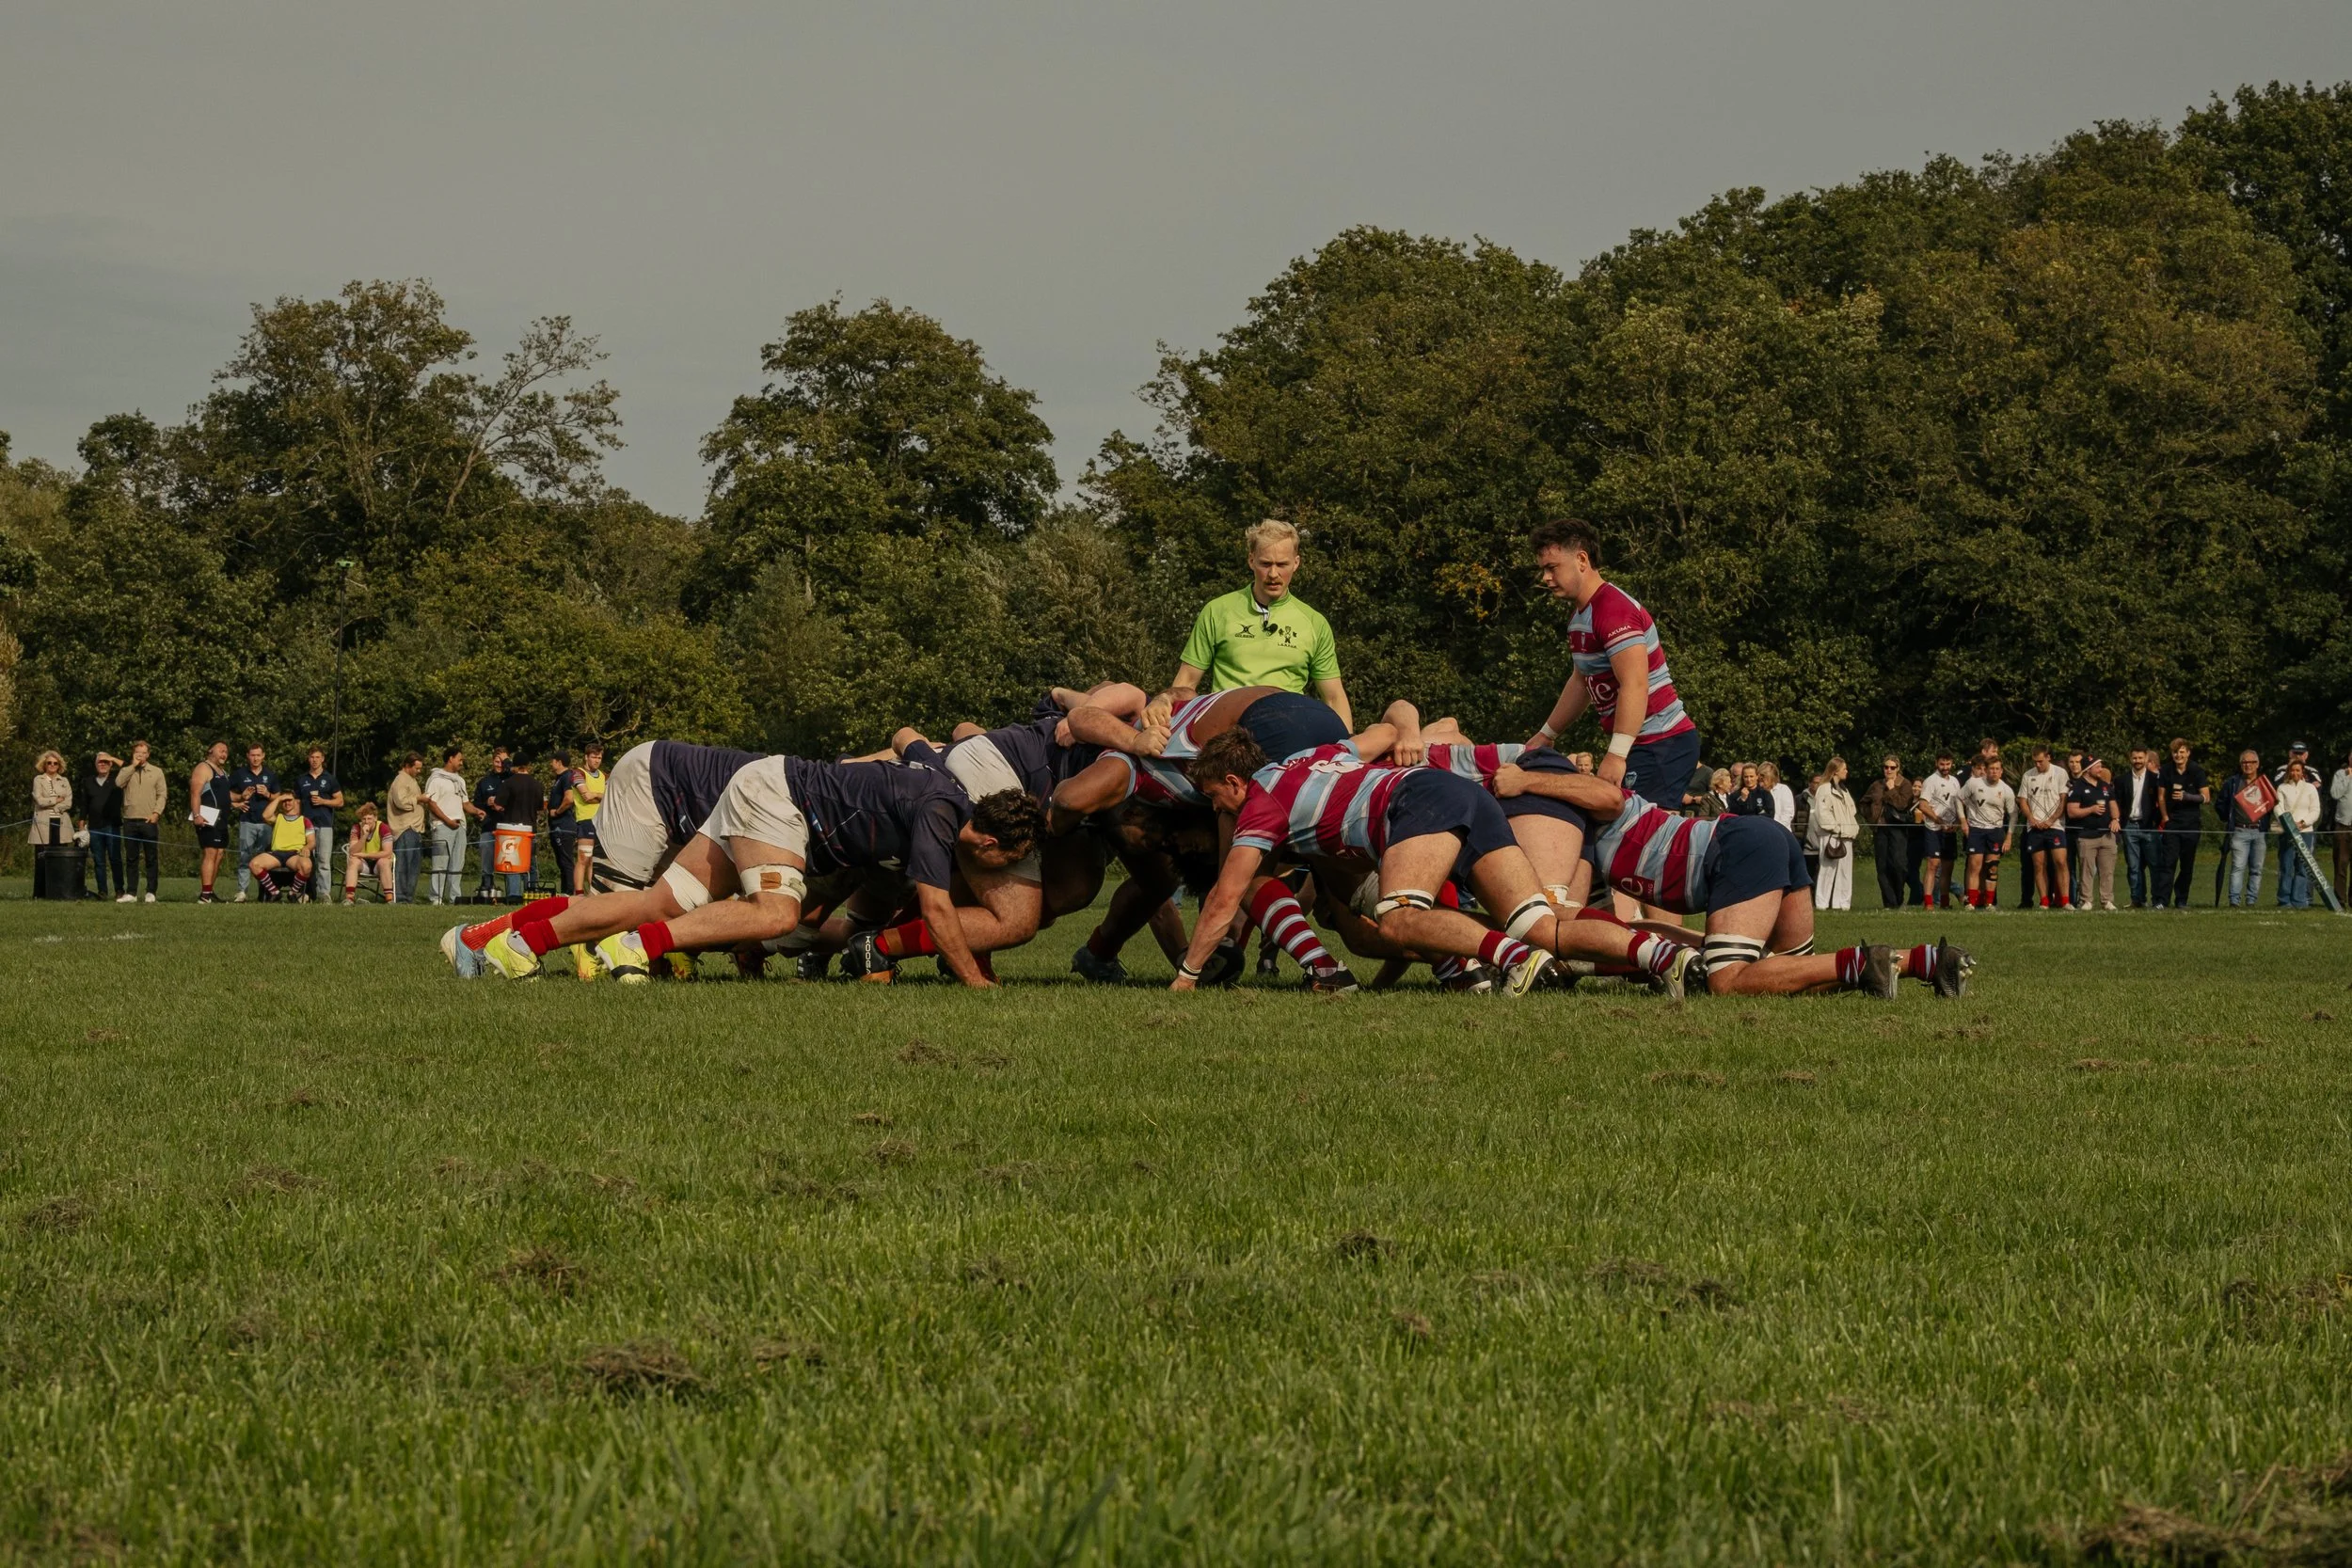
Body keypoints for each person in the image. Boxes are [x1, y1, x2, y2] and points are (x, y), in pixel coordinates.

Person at [1174, 733, 1697, 998]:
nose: (1217, 807)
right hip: (1462, 794)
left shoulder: (1259, 804)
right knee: (1542, 925)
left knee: (1398, 916)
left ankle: (1511, 958)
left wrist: (1187, 976)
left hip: (1415, 801)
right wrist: (1405, 727)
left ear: (1235, 781)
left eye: (1215, 795)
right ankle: (1662, 956)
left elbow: (1226, 895)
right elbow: (1383, 729)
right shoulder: (1311, 755)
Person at [1577, 781, 1973, 999]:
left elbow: (1608, 794)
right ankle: (1928, 960)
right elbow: (1642, 931)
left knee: (1727, 979)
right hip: (1760, 839)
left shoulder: (1579, 808)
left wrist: (1524, 778)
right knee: (1792, 976)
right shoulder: (1581, 832)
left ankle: (1863, 963)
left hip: (1736, 847)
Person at [1148, 518, 1350, 736]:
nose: (1273, 574)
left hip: (1288, 730)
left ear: (1296, 563)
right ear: (1251, 561)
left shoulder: (1314, 622)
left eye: (1282, 564)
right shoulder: (1217, 611)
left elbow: (1333, 697)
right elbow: (1187, 680)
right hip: (1226, 732)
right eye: (1265, 564)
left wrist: (1347, 750)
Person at [2153, 739, 2208, 910]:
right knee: (2168, 862)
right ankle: (2162, 900)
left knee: (2187, 864)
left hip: (2191, 823)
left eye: (2182, 752)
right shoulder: (2166, 771)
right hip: (2172, 822)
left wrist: (2187, 797)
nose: (2179, 755)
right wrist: (2165, 818)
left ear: (2188, 753)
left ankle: (2181, 899)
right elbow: (2161, 797)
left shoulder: (2197, 770)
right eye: (2176, 752)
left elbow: (2206, 797)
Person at [2219, 749, 2276, 909]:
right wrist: (2228, 818)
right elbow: (2221, 804)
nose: (2247, 765)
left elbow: (2273, 805)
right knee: (2237, 868)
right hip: (2239, 830)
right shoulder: (2232, 783)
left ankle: (2251, 900)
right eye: (2244, 762)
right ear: (2240, 764)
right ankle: (2234, 901)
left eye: (2251, 762)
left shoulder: (2264, 783)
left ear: (2257, 764)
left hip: (2259, 831)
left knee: (2257, 869)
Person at [1859, 755, 1917, 910]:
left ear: (1898, 768)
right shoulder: (1876, 785)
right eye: (1886, 767)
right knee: (1882, 867)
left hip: (1897, 828)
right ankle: (1889, 903)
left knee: (1899, 865)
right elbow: (1863, 802)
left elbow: (1902, 804)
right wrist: (1871, 817)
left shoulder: (1905, 784)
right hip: (1880, 829)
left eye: (1892, 767)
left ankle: (1898, 899)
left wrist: (1891, 789)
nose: (1888, 770)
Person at [2016, 745, 2070, 911]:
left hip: (2055, 826)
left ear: (2048, 757)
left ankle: (2065, 900)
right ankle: (2044, 901)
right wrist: (2032, 819)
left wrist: (2051, 819)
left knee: (2060, 862)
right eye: (2035, 762)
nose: (2037, 765)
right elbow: (2022, 801)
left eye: (2040, 761)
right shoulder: (2028, 775)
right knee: (2039, 865)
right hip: (2035, 827)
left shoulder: (2060, 773)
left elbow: (2063, 800)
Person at [1960, 755, 2016, 911]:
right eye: (1991, 769)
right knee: (1974, 866)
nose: (1994, 772)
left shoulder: (2006, 790)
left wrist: (2009, 836)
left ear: (2001, 771)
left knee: (1992, 867)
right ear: (1986, 770)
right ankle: (1970, 902)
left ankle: (1989, 903)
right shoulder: (1973, 783)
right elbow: (1958, 798)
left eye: (1997, 769)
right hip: (1976, 830)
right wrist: (1963, 821)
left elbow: (2013, 814)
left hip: (1995, 831)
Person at [2065, 756, 2119, 911]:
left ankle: (2107, 900)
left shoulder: (2105, 786)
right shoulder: (2078, 787)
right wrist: (2091, 809)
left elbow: (2113, 804)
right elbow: (2072, 812)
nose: (2101, 769)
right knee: (2086, 871)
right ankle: (2086, 900)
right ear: (2088, 769)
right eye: (2098, 767)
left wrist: (2116, 819)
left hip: (2107, 835)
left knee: (2107, 871)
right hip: (2086, 836)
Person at [114, 741, 165, 902]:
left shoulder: (156, 772)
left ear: (148, 754)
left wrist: (156, 813)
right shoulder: (126, 771)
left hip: (149, 820)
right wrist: (132, 766)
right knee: (131, 858)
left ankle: (151, 891)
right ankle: (131, 893)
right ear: (133, 753)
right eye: (137, 752)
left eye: (143, 753)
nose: (140, 755)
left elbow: (162, 795)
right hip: (130, 820)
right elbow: (118, 783)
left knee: (151, 857)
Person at [292, 749, 343, 902]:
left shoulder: (330, 779)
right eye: (312, 757)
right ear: (308, 759)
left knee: (323, 861)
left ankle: (324, 894)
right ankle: (306, 893)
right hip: (306, 825)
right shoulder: (301, 779)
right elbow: (297, 803)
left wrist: (323, 801)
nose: (314, 760)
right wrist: (295, 821)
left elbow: (340, 801)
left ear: (322, 759)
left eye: (317, 757)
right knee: (306, 860)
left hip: (325, 825)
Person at [228, 743, 278, 901]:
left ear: (263, 756)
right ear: (248, 756)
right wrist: (238, 801)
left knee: (265, 860)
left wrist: (268, 794)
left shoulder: (270, 775)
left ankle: (264, 892)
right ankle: (242, 892)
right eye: (252, 755)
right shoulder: (239, 774)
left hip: (266, 823)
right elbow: (225, 793)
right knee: (245, 857)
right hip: (246, 821)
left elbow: (279, 797)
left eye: (258, 755)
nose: (255, 758)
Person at [1807, 758, 1859, 911]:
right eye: (1844, 769)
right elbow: (1822, 813)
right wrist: (1835, 828)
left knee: (1845, 872)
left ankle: (1842, 904)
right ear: (1835, 770)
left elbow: (1852, 811)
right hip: (1832, 835)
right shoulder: (1824, 789)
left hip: (1846, 835)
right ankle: (1822, 903)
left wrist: (1851, 829)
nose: (1846, 771)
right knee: (1827, 870)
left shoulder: (1844, 789)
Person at [493, 750, 545, 901]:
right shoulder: (537, 785)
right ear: (528, 765)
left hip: (511, 829)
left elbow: (497, 805)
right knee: (531, 862)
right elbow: (540, 807)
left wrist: (501, 806)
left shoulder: (509, 783)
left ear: (515, 766)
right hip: (530, 828)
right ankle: (533, 891)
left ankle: (514, 894)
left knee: (512, 861)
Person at [1915, 752, 1963, 911]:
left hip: (1949, 830)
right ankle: (1928, 902)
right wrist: (1938, 821)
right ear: (1937, 763)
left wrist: (1957, 822)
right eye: (1942, 764)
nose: (1945, 768)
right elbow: (1923, 805)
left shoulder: (1955, 782)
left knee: (1948, 866)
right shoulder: (1930, 781)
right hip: (1934, 828)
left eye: (1948, 764)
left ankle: (1944, 901)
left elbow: (1959, 804)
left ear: (1952, 764)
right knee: (1933, 864)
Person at [246, 793, 315, 900]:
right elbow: (265, 815)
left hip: (295, 854)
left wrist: (306, 848)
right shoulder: (278, 817)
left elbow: (312, 841)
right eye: (284, 801)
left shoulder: (304, 820)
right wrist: (278, 798)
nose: (287, 802)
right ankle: (274, 892)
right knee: (253, 864)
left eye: (289, 800)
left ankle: (293, 892)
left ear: (295, 802)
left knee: (306, 866)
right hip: (276, 853)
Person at [2119, 746, 2164, 909]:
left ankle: (2157, 900)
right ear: (2130, 759)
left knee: (2155, 865)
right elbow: (2118, 803)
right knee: (2133, 866)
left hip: (2149, 827)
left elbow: (2162, 803)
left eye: (2140, 758)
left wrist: (2155, 821)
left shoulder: (2156, 779)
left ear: (2146, 758)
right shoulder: (2122, 780)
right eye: (2134, 758)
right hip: (2129, 826)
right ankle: (2137, 899)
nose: (2137, 761)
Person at [188, 740, 232, 904]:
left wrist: (242, 798)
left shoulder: (223, 772)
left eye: (226, 751)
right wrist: (197, 814)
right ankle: (204, 895)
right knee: (210, 853)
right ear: (210, 751)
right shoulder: (203, 768)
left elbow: (226, 796)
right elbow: (195, 793)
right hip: (207, 817)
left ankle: (210, 891)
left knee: (219, 854)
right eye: (221, 750)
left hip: (222, 819)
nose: (224, 754)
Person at [424, 749, 469, 906]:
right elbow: (431, 803)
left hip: (459, 826)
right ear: (450, 759)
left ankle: (454, 898)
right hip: (442, 826)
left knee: (458, 863)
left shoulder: (460, 781)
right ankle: (436, 898)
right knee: (440, 862)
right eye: (459, 759)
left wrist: (477, 811)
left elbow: (465, 803)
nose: (461, 763)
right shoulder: (436, 779)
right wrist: (447, 820)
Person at [2276, 758, 2322, 911]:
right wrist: (2289, 825)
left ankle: (2299, 900)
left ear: (2303, 772)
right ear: (2289, 771)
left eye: (2298, 770)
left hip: (2306, 832)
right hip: (2287, 833)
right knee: (2286, 866)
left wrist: (2302, 823)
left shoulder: (2310, 788)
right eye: (2292, 770)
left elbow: (2315, 810)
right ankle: (2284, 900)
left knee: (2302, 868)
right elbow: (2278, 809)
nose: (2295, 773)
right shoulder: (2282, 788)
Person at [81, 751, 124, 900]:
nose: (103, 764)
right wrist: (81, 823)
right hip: (94, 827)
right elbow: (84, 804)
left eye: (106, 762)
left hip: (112, 826)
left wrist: (111, 757)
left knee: (115, 859)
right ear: (95, 764)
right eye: (100, 762)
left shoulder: (118, 781)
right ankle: (103, 891)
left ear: (111, 764)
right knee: (99, 861)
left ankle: (119, 890)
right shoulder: (88, 781)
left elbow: (129, 767)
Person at [469, 748, 509, 901]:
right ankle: (487, 882)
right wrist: (486, 803)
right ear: (492, 761)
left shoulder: (512, 778)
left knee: (509, 859)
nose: (499, 765)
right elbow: (476, 805)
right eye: (497, 761)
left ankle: (511, 890)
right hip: (489, 825)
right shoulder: (484, 782)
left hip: (508, 825)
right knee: (485, 849)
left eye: (502, 762)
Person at [386, 752, 426, 903]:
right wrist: (419, 798)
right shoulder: (401, 780)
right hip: (405, 829)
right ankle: (401, 897)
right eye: (417, 768)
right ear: (408, 766)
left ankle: (408, 897)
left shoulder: (411, 780)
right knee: (404, 864)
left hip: (414, 829)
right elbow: (400, 802)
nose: (419, 771)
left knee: (413, 866)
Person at [342, 801, 399, 903]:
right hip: (363, 863)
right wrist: (364, 836)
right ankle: (349, 899)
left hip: (378, 862)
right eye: (364, 819)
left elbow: (387, 852)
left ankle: (389, 900)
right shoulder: (356, 828)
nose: (366, 821)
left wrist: (366, 855)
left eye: (369, 818)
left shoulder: (383, 828)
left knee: (384, 861)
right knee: (353, 861)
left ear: (375, 818)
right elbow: (353, 851)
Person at [546, 752, 581, 895]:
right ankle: (564, 891)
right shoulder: (558, 779)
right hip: (556, 826)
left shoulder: (567, 777)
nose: (550, 763)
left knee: (566, 860)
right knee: (561, 861)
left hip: (564, 825)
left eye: (552, 761)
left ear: (559, 762)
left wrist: (557, 812)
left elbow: (569, 799)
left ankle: (570, 892)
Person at [573, 743, 606, 895]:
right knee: (583, 858)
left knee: (596, 861)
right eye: (594, 757)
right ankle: (579, 892)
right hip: (586, 820)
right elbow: (586, 796)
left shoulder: (604, 775)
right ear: (586, 757)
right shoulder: (577, 773)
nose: (597, 760)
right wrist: (600, 796)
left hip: (602, 822)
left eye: (599, 757)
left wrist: (596, 795)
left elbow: (610, 797)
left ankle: (592, 893)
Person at [30, 751, 72, 847]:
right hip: (42, 822)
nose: (52, 765)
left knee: (59, 855)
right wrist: (56, 800)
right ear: (44, 765)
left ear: (59, 765)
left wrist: (54, 807)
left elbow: (68, 802)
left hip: (61, 822)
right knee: (42, 856)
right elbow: (39, 801)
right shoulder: (38, 779)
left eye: (55, 763)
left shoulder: (64, 781)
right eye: (49, 763)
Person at [2331, 747, 2352, 910]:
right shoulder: (2340, 774)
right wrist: (2348, 777)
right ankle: (2339, 900)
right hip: (2343, 825)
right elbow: (2335, 794)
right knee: (2341, 864)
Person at [1758, 763, 1795, 832]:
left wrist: (1775, 828)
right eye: (1760, 780)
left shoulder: (1783, 789)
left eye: (1763, 779)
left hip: (1781, 831)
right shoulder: (1758, 792)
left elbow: (1788, 814)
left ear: (1771, 778)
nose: (1761, 782)